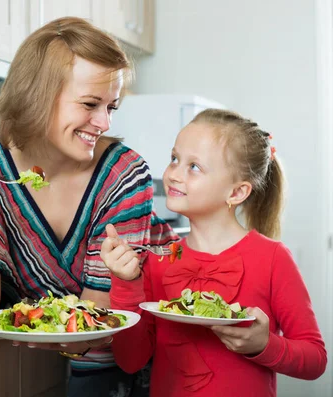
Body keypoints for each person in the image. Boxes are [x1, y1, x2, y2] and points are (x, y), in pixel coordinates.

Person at [0, 16, 177, 396]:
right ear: (37, 94)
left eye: (112, 107)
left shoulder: (123, 172)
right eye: (90, 104)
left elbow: (98, 319)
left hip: (119, 368)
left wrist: (56, 335)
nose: (103, 121)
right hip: (26, 364)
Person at [101, 108, 327, 397]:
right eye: (174, 159)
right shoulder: (158, 260)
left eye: (194, 166)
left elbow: (315, 360)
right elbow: (131, 361)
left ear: (236, 193)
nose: (173, 174)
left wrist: (264, 345)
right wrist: (125, 282)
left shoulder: (272, 258)